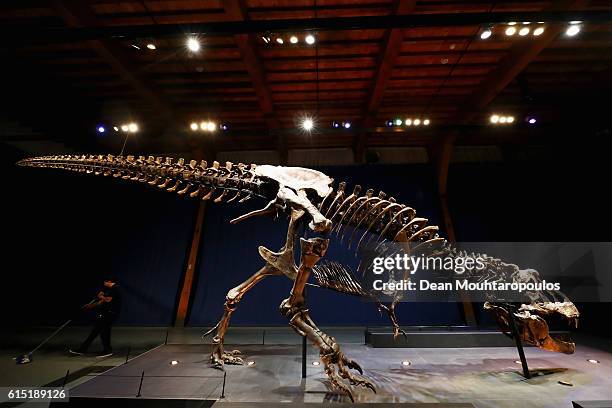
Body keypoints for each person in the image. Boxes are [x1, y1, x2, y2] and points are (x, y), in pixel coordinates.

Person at [69, 276, 122, 358]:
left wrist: (101, 296)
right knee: (97, 331)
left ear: (110, 281)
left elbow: (108, 300)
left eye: (105, 281)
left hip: (110, 314)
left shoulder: (115, 289)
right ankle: (83, 349)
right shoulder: (107, 289)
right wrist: (90, 306)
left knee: (102, 331)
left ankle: (106, 350)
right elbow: (101, 302)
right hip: (105, 313)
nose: (104, 283)